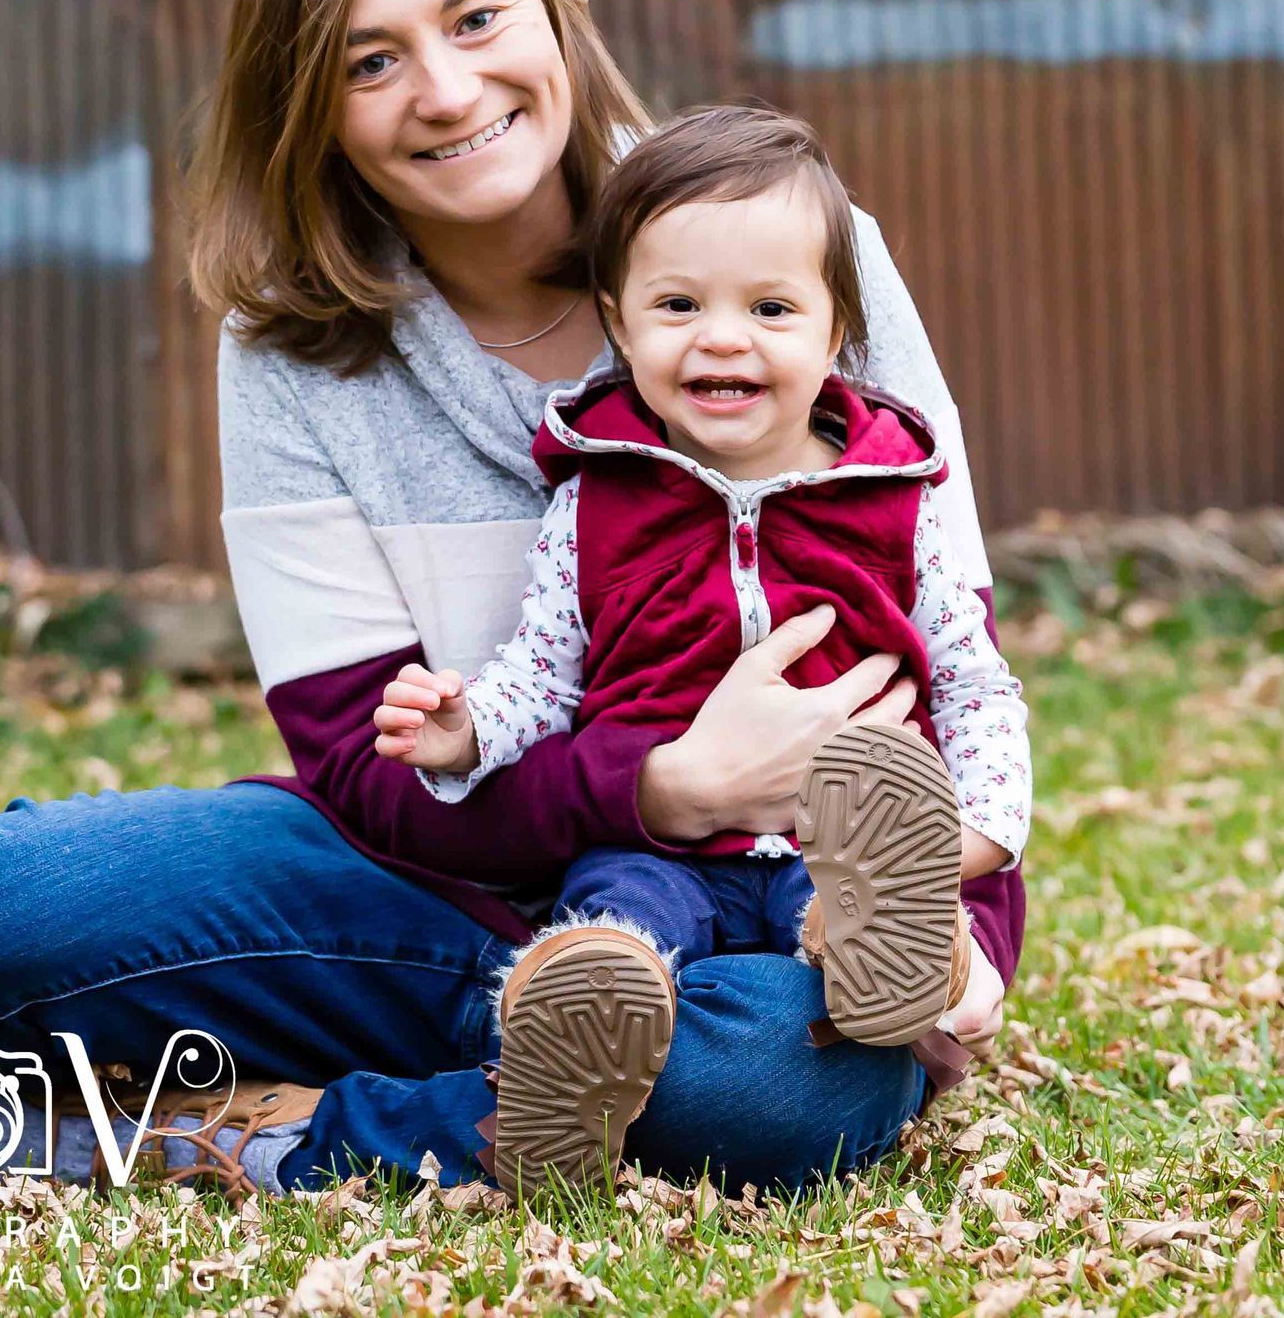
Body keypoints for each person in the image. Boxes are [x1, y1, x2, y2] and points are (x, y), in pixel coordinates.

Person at [0, 0, 1023, 1204]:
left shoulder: (796, 249)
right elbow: (365, 771)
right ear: (310, 104)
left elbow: (953, 659)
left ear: (552, 5)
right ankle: (526, 1048)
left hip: (765, 924)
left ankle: (216, 1130)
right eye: (373, 60)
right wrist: (661, 785)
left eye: (477, 17)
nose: (444, 88)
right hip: (421, 895)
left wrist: (956, 953)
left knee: (783, 1087)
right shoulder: (293, 345)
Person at [375, 104, 1031, 1196]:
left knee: (857, 915)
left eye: (770, 308)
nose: (721, 337)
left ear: (835, 336)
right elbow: (544, 667)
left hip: (839, 848)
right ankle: (567, 1060)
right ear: (621, 328)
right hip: (661, 846)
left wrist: (981, 835)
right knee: (613, 934)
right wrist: (464, 731)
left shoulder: (897, 499)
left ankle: (922, 960)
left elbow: (971, 681)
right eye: (678, 305)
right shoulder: (594, 500)